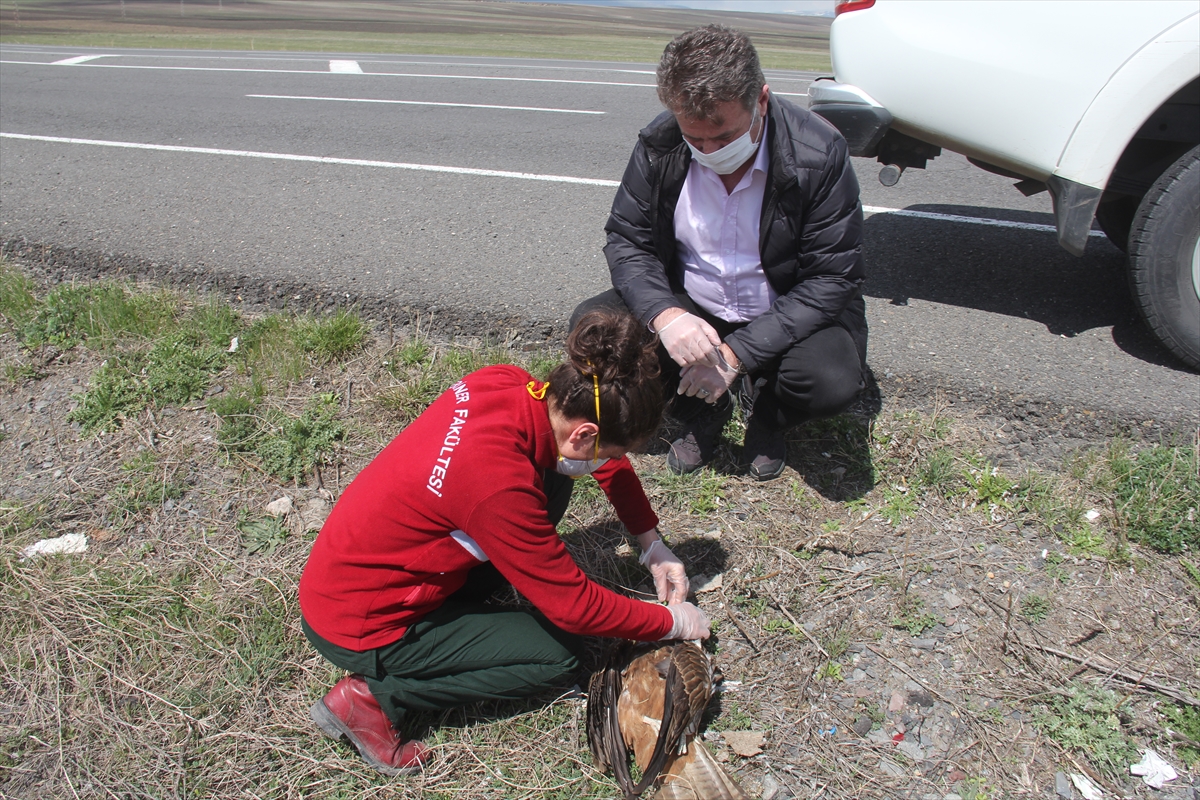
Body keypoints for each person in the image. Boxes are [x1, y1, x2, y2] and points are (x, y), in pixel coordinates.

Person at [298, 308, 711, 776]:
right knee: (557, 655)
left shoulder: (511, 384)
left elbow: (601, 457)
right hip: (366, 622)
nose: (611, 461)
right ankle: (372, 700)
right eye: (611, 449)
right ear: (585, 433)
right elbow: (574, 607)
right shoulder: (497, 487)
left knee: (553, 477)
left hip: (356, 571)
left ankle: (468, 609)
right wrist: (669, 622)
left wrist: (650, 541)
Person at [573, 25, 868, 481]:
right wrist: (666, 316)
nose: (709, 152)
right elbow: (628, 240)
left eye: (726, 138)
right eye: (696, 139)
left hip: (782, 309)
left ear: (762, 101)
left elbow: (833, 279)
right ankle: (699, 410)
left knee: (829, 379)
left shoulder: (818, 153)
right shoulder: (661, 143)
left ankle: (767, 412)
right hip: (694, 301)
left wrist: (736, 355)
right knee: (595, 332)